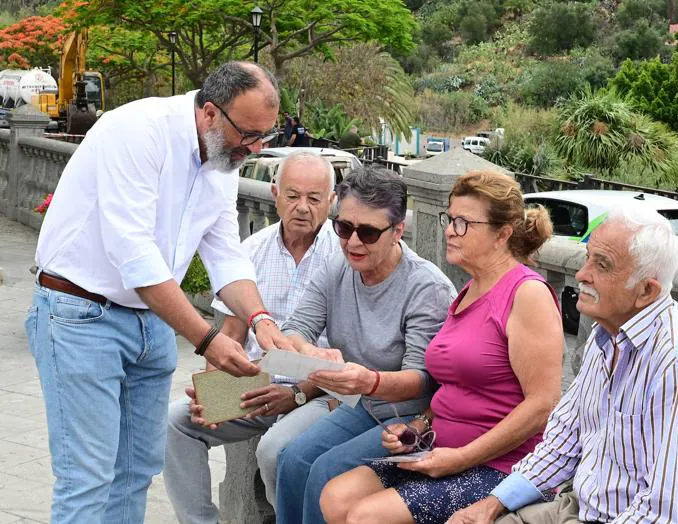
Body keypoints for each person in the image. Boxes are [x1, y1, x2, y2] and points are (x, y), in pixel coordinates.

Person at [25, 61, 290, 524]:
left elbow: (225, 252)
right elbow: (137, 260)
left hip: (150, 323)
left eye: (265, 136)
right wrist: (208, 340)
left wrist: (261, 321)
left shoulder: (224, 157)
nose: (256, 148)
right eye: (248, 135)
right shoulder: (137, 130)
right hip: (81, 315)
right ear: (211, 113)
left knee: (135, 473)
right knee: (87, 479)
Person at [448, 207, 678, 524]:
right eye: (588, 257)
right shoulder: (608, 332)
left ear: (646, 290)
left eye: (602, 265)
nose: (582, 274)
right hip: (582, 506)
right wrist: (493, 503)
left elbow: (659, 510)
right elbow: (563, 443)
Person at [320, 171, 565, 524]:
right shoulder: (469, 291)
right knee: (336, 496)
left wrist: (461, 457)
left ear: (503, 235)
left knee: (366, 516)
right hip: (438, 449)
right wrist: (419, 426)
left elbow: (543, 405)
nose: (450, 230)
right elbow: (453, 387)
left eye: (463, 223)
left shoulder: (526, 294)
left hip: (498, 467)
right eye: (450, 219)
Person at [273, 166, 457, 524]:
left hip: (409, 417)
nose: (353, 242)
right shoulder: (331, 265)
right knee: (288, 457)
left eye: (368, 232)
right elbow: (291, 329)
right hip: (345, 398)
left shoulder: (425, 288)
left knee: (322, 470)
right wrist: (309, 354)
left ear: (398, 231)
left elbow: (422, 380)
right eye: (343, 228)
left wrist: (366, 381)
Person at [163, 152, 340, 523]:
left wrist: (299, 391)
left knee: (277, 450)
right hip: (255, 385)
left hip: (320, 391)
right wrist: (211, 393)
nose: (302, 207)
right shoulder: (248, 252)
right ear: (275, 194)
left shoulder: (344, 256)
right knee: (176, 421)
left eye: (314, 198)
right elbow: (229, 334)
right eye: (292, 196)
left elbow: (352, 358)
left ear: (332, 201)